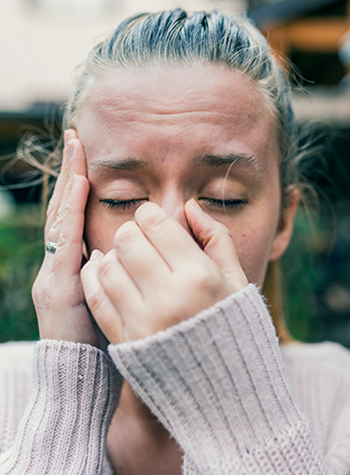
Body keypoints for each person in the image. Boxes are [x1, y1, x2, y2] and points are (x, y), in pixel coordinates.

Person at [1, 9, 350, 475]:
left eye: (222, 198)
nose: (170, 234)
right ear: (65, 213)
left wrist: (240, 415)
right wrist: (68, 394)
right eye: (121, 198)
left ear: (283, 223)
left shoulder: (340, 401)